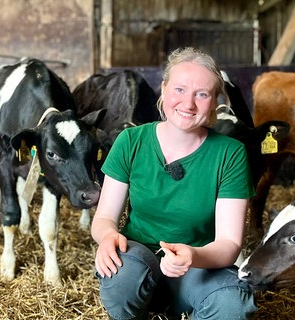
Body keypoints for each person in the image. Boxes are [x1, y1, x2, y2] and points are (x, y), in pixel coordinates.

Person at [91, 47, 258, 320]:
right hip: (138, 260)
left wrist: (192, 255)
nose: (188, 104)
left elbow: (228, 244)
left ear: (214, 101)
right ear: (164, 89)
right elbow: (105, 218)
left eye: (202, 94)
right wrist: (108, 236)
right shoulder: (131, 141)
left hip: (198, 267)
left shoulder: (230, 153)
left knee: (232, 303)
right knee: (121, 275)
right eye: (179, 90)